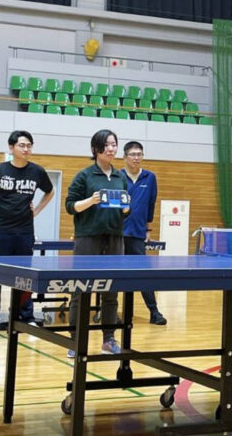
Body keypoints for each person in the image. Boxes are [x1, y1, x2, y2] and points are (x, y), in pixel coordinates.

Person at [0, 130, 54, 335]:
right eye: (22, 145)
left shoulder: (37, 171)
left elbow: (50, 191)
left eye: (29, 145)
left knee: (25, 278)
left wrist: (36, 211)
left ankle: (25, 317)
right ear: (11, 147)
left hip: (25, 232)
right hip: (0, 231)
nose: (26, 149)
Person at [65, 129, 129, 355]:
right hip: (88, 238)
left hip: (114, 238)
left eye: (114, 144)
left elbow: (124, 210)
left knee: (111, 291)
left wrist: (126, 208)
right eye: (107, 145)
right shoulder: (85, 175)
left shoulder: (120, 177)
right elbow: (70, 206)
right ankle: (75, 340)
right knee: (80, 290)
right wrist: (90, 201)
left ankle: (109, 339)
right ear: (96, 149)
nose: (111, 149)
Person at [121, 140, 166, 325]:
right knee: (112, 274)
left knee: (143, 274)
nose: (136, 158)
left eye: (139, 154)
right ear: (125, 157)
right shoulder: (117, 176)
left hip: (138, 234)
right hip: (117, 234)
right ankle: (107, 312)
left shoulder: (150, 177)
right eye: (132, 154)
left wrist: (148, 229)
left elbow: (151, 205)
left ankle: (154, 312)